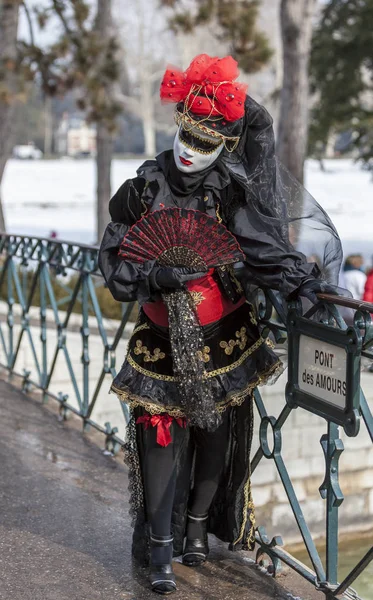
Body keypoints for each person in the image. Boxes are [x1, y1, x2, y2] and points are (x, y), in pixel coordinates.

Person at [99, 54, 339, 595]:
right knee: (162, 434)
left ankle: (198, 530)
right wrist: (153, 273)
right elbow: (115, 252)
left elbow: (264, 249)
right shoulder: (144, 188)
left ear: (223, 147)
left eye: (205, 143)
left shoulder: (228, 192)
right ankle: (159, 548)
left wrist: (303, 285)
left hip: (224, 339)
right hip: (161, 340)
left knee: (217, 434)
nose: (189, 151)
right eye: (186, 135)